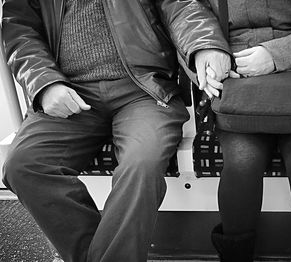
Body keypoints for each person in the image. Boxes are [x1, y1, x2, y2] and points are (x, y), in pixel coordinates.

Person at [0, 1, 230, 261]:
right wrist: (44, 83)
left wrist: (204, 43)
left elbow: (181, 5)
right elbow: (19, 29)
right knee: (23, 165)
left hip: (144, 88)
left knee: (141, 163)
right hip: (67, 91)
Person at [160, 0, 291, 261]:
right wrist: (205, 49)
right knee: (242, 163)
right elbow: (186, 8)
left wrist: (277, 55)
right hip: (234, 67)